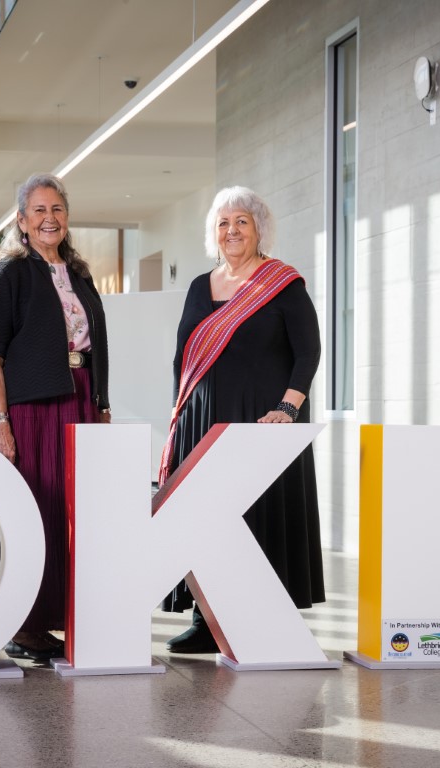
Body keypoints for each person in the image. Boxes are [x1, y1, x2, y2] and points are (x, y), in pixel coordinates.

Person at [159, 186, 324, 653]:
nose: (231, 231)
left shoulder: (282, 283)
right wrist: (179, 413)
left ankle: (262, 616)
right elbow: (183, 357)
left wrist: (288, 408)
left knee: (258, 515)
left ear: (259, 229)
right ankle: (206, 620)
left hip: (263, 421)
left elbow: (308, 352)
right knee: (205, 517)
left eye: (241, 222)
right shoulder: (199, 286)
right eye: (223, 223)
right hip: (202, 421)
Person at [0, 173, 111, 661]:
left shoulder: (79, 273)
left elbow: (95, 346)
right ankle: (25, 625)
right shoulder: (8, 271)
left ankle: (65, 615)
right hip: (34, 408)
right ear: (21, 220)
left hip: (80, 399)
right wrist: (0, 422)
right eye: (39, 210)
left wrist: (102, 404)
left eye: (57, 209)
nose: (49, 218)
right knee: (38, 511)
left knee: (77, 514)